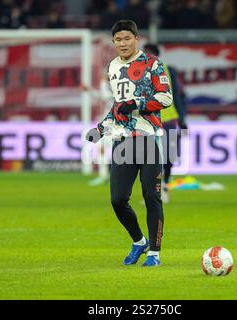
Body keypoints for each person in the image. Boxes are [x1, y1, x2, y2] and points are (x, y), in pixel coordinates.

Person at [85, 20, 173, 266]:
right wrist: (100, 129)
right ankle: (139, 242)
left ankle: (154, 253)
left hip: (147, 137)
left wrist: (138, 103)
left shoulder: (153, 64)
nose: (122, 43)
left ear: (137, 38)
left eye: (127, 38)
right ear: (113, 42)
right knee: (118, 200)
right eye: (118, 40)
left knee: (151, 196)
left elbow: (166, 98)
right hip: (122, 141)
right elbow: (117, 107)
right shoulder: (112, 67)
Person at [143, 43, 188, 203]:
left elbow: (178, 95)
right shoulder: (138, 72)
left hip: (168, 118)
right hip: (148, 121)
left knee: (168, 156)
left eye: (149, 53)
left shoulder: (169, 71)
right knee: (150, 158)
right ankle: (152, 192)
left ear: (156, 55)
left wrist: (182, 118)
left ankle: (166, 186)